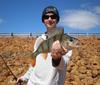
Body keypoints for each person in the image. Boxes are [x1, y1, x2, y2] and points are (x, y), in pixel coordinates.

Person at [17, 5, 72, 85]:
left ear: (57, 20)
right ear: (43, 20)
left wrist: (57, 59)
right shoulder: (39, 40)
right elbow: (34, 65)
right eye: (46, 17)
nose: (49, 19)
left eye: (53, 16)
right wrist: (24, 77)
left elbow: (64, 64)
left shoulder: (65, 40)